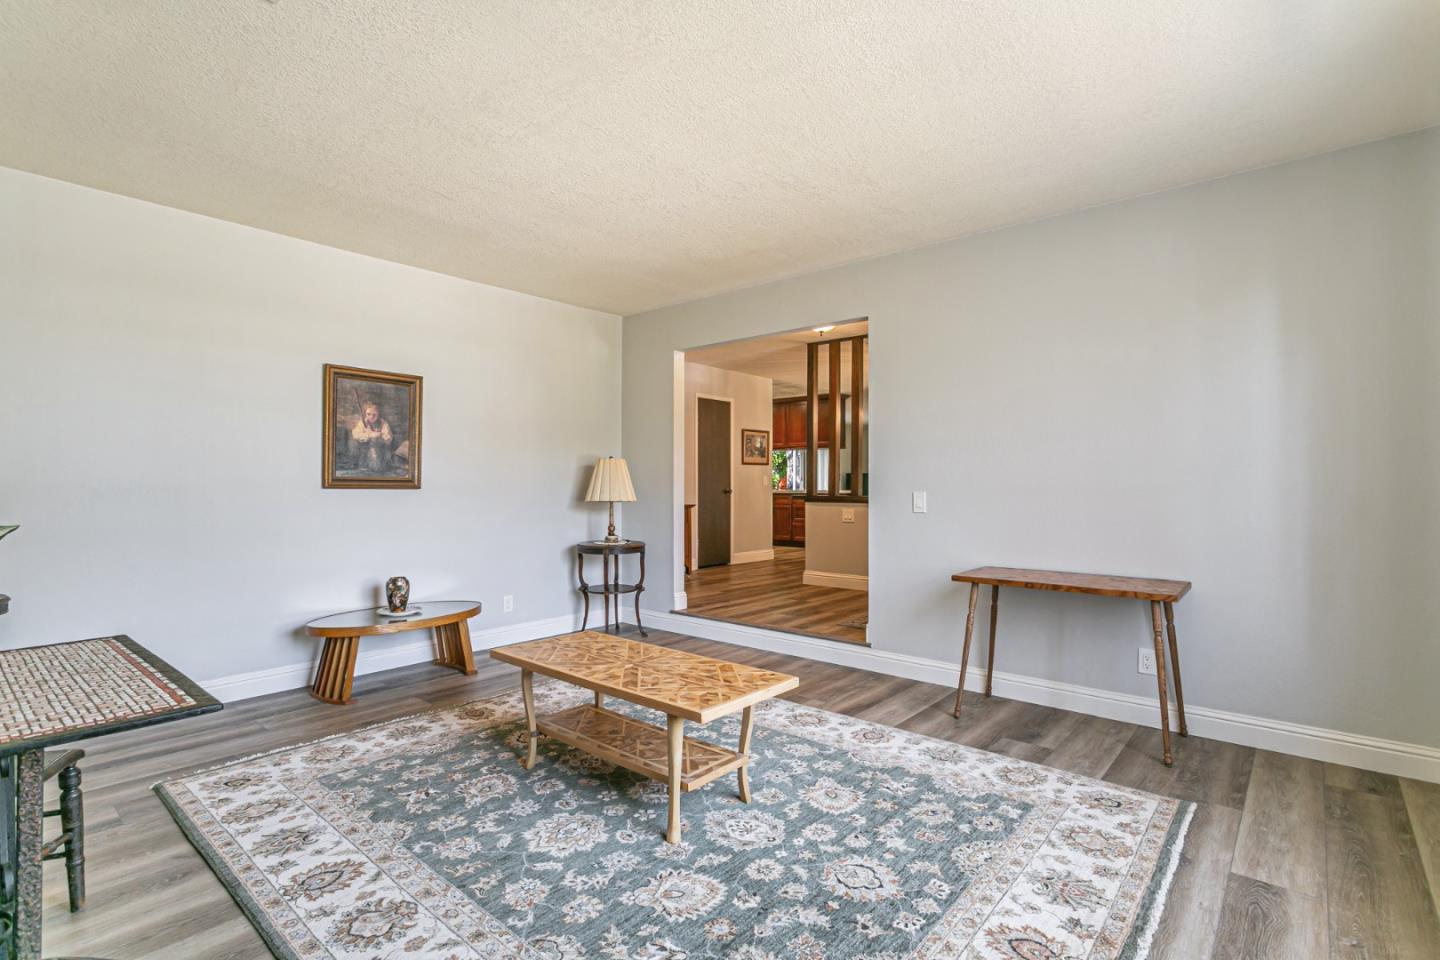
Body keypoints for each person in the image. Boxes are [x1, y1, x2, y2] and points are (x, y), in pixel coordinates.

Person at [350, 400, 394, 473]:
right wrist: (369, 435)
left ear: (378, 414)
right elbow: (355, 434)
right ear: (365, 414)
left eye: (374, 414)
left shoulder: (383, 423)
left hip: (380, 452)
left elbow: (389, 438)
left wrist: (380, 435)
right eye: (369, 414)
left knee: (379, 468)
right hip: (365, 453)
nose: (371, 417)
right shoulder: (363, 422)